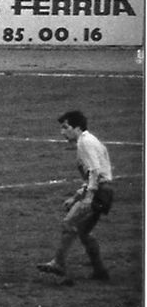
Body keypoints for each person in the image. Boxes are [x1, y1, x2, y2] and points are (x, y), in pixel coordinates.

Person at [37, 111, 113, 283]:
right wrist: (77, 196)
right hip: (104, 191)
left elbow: (94, 170)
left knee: (69, 223)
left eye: (66, 128)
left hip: (100, 192)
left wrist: (88, 197)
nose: (62, 132)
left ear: (77, 128)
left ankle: (59, 263)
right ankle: (100, 271)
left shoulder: (85, 143)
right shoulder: (87, 140)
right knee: (84, 232)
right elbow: (93, 175)